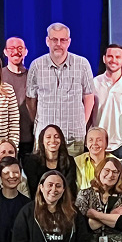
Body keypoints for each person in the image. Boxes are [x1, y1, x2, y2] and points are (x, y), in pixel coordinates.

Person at [26, 23, 96, 156]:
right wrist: (39, 121)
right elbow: (30, 100)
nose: (58, 44)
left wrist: (81, 123)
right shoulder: (36, 66)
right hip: (45, 139)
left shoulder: (82, 64)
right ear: (47, 41)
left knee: (74, 170)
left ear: (69, 42)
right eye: (54, 40)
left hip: (74, 138)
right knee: (43, 170)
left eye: (63, 40)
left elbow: (89, 97)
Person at [23, 124, 79, 198]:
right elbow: (33, 190)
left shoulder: (69, 161)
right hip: (38, 202)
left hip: (63, 201)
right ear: (42, 141)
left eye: (56, 137)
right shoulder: (31, 161)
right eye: (48, 137)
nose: (53, 140)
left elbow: (70, 189)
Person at [1, 37, 34, 156]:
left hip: (29, 138)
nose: (16, 51)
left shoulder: (33, 76)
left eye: (20, 48)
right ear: (5, 52)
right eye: (12, 48)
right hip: (5, 139)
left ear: (26, 51)